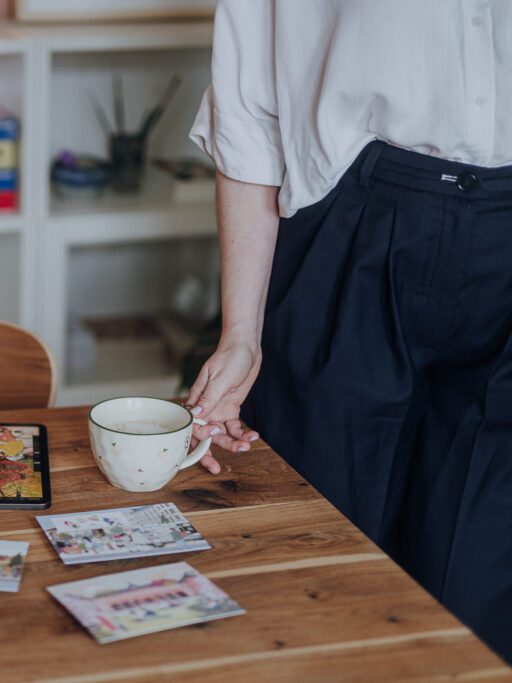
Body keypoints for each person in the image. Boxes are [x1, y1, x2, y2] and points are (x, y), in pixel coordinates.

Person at [185, 0, 512, 662]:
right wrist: (242, 333)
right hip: (352, 229)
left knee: (479, 604)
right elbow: (249, 106)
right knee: (315, 580)